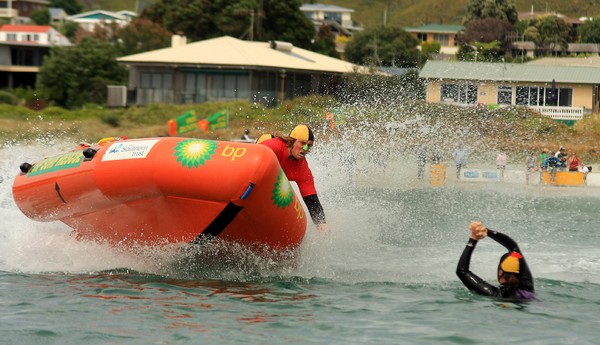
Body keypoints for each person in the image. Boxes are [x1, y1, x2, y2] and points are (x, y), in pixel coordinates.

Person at [259, 124, 329, 233]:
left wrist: (321, 223)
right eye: (302, 143)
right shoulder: (275, 146)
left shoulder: (302, 169)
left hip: (271, 182)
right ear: (291, 141)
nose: (305, 149)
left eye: (309, 146)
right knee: (266, 137)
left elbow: (312, 200)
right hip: (257, 168)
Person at [456, 221, 535, 300]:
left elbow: (461, 271)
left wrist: (474, 238)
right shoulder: (528, 286)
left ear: (500, 272)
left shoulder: (495, 294)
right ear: (522, 271)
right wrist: (487, 232)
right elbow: (513, 246)